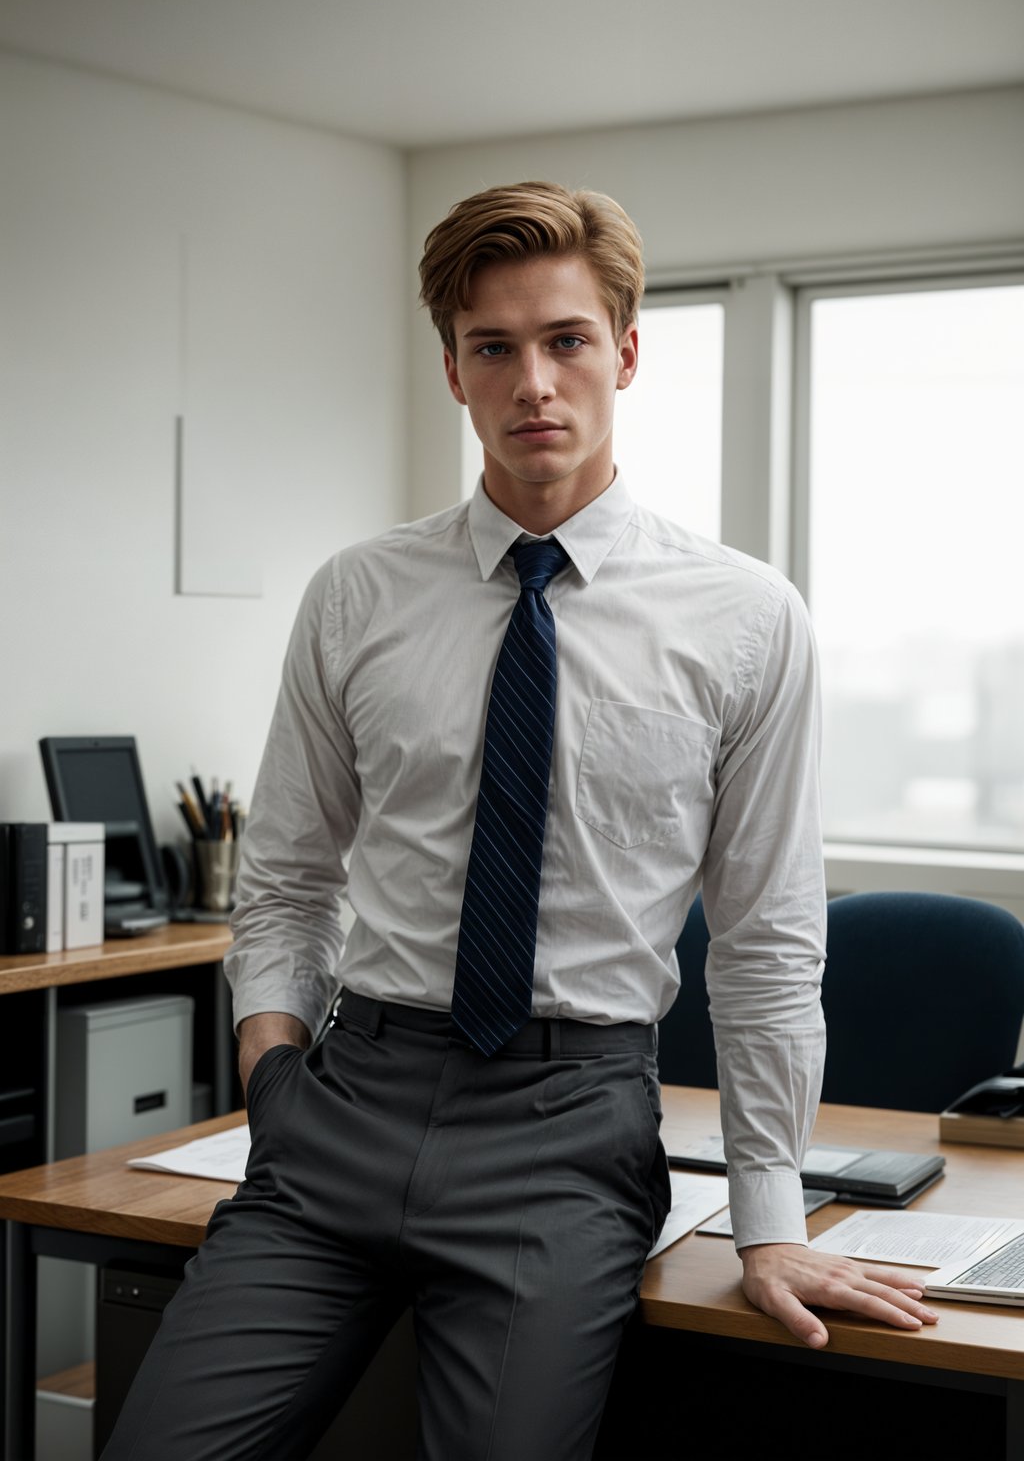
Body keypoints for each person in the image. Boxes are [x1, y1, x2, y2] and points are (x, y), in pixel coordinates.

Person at [100, 180, 937, 1461]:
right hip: (346, 1103)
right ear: (451, 368)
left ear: (627, 353)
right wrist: (275, 1073)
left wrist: (770, 1219)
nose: (533, 382)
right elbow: (285, 879)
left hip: (568, 1127)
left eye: (566, 341)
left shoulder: (745, 618)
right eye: (494, 347)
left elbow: (767, 941)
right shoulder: (356, 595)